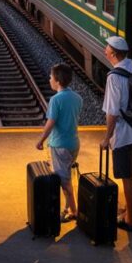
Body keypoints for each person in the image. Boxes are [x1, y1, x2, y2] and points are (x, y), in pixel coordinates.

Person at [100, 36, 132, 233]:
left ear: (114, 54)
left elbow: (112, 112)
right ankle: (129, 211)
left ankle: (131, 221)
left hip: (125, 134)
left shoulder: (114, 77)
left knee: (126, 177)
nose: (104, 50)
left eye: (107, 48)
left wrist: (106, 138)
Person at [36, 63, 81, 222]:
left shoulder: (56, 100)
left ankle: (74, 212)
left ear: (58, 81)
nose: (49, 79)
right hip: (74, 143)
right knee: (66, 176)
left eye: (51, 77)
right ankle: (69, 207)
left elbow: (51, 123)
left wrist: (41, 140)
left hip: (60, 145)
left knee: (64, 181)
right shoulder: (77, 98)